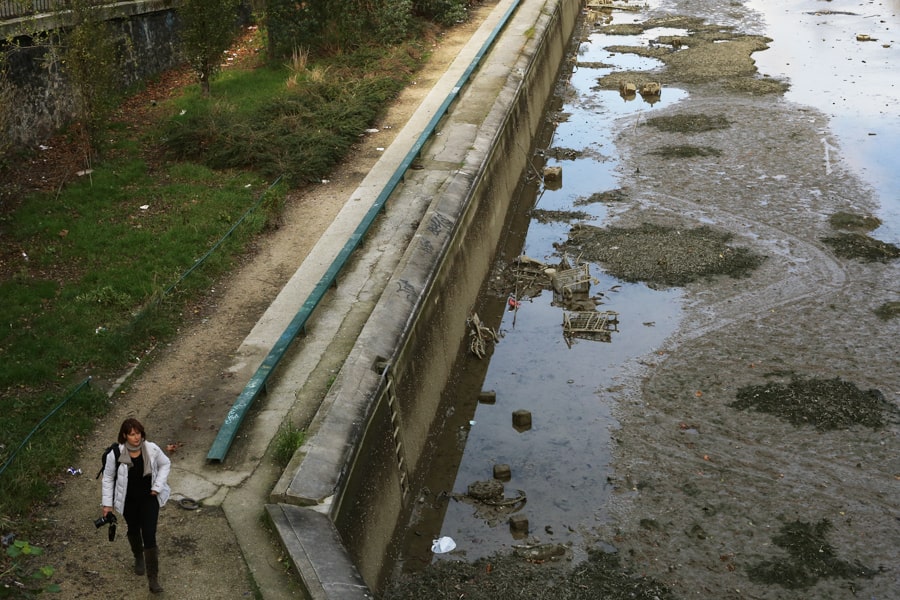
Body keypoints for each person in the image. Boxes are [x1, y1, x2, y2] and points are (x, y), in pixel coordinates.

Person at [100, 418, 171, 594]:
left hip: (149, 500)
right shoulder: (115, 454)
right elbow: (108, 478)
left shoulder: (151, 449)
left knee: (149, 535)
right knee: (133, 529)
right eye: (132, 434)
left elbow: (165, 464)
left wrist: (157, 487)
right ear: (124, 436)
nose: (136, 437)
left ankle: (153, 579)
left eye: (138, 433)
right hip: (128, 501)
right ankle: (138, 555)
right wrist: (107, 504)